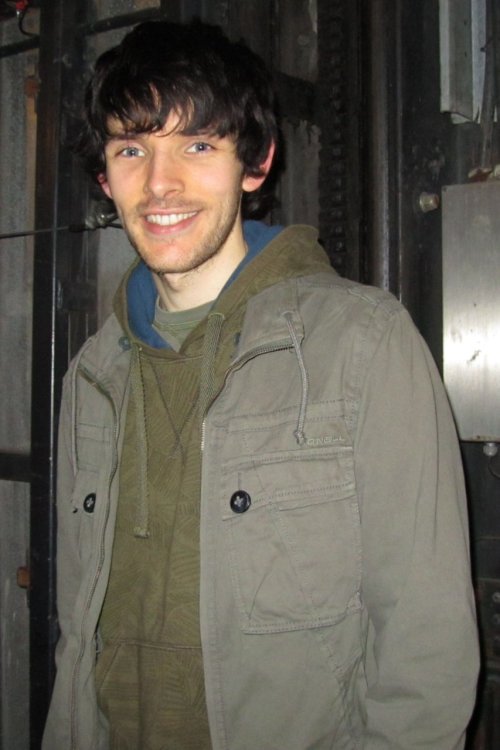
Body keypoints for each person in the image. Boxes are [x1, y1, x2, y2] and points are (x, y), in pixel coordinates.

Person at [43, 19, 479, 750]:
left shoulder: (362, 346)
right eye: (131, 149)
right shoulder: (94, 371)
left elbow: (426, 650)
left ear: (257, 162)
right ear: (103, 176)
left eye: (199, 145)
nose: (160, 184)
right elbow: (76, 636)